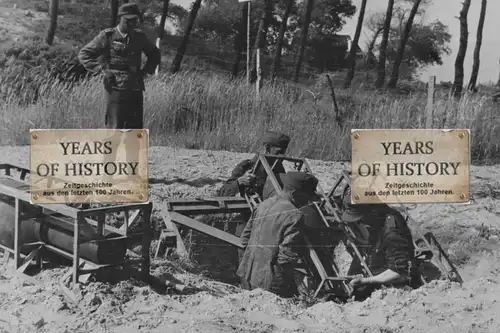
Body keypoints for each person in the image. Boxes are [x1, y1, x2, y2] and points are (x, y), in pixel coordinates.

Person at [78, 3, 161, 129]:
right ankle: (113, 149)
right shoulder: (108, 36)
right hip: (115, 88)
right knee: (115, 127)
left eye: (134, 20)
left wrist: (146, 71)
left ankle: (132, 150)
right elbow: (84, 54)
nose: (132, 24)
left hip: (135, 87)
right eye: (128, 20)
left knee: (135, 128)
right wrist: (102, 70)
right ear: (120, 18)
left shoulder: (140, 37)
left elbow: (155, 54)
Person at [236, 171, 319, 298]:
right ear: (295, 194)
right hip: (269, 284)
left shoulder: (263, 205)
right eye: (306, 197)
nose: (307, 202)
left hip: (246, 273)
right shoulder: (295, 215)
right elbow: (285, 257)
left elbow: (244, 240)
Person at [340, 186, 421, 301]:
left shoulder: (392, 229)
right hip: (378, 275)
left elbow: (399, 272)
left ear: (371, 211)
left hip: (394, 288)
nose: (359, 221)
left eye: (361, 218)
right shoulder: (378, 220)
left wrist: (366, 281)